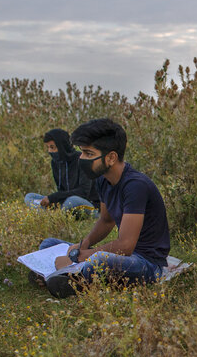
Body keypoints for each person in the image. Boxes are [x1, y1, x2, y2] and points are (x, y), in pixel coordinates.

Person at [37, 118, 171, 298]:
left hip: (146, 263)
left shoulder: (135, 186)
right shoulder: (103, 179)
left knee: (99, 260)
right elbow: (106, 221)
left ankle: (71, 278)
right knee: (48, 244)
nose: (82, 158)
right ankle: (68, 276)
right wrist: (83, 245)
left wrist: (77, 257)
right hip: (123, 257)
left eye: (88, 154)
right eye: (82, 152)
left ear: (111, 157)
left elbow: (125, 246)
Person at [24, 128, 101, 216]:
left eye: (52, 147)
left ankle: (53, 214)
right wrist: (53, 201)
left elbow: (83, 192)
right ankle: (54, 214)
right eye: (48, 147)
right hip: (65, 203)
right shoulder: (55, 163)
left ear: (62, 146)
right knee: (29, 197)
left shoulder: (82, 160)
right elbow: (61, 190)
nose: (50, 151)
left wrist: (54, 197)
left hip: (88, 204)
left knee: (72, 201)